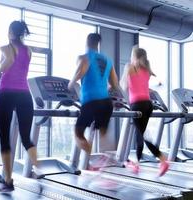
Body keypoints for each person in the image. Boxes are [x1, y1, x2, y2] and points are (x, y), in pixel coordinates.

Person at [0, 20, 42, 192]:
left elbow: (10, 60)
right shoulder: (29, 50)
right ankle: (38, 168)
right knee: (26, 137)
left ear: (10, 31)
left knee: (5, 139)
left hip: (7, 93)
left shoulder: (5, 48)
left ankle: (8, 181)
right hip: (25, 95)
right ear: (22, 33)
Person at [68, 33, 119, 159]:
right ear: (98, 44)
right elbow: (114, 84)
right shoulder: (108, 60)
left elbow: (80, 72)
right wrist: (103, 89)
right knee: (101, 131)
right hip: (106, 103)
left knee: (78, 134)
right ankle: (106, 159)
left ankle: (89, 154)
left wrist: (70, 84)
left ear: (87, 42)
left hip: (91, 102)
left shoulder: (84, 57)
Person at [120, 46, 169, 176]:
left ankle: (162, 159)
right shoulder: (146, 69)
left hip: (137, 105)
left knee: (141, 135)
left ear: (134, 56)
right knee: (140, 133)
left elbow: (124, 85)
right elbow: (143, 88)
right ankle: (137, 163)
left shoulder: (130, 67)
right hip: (148, 104)